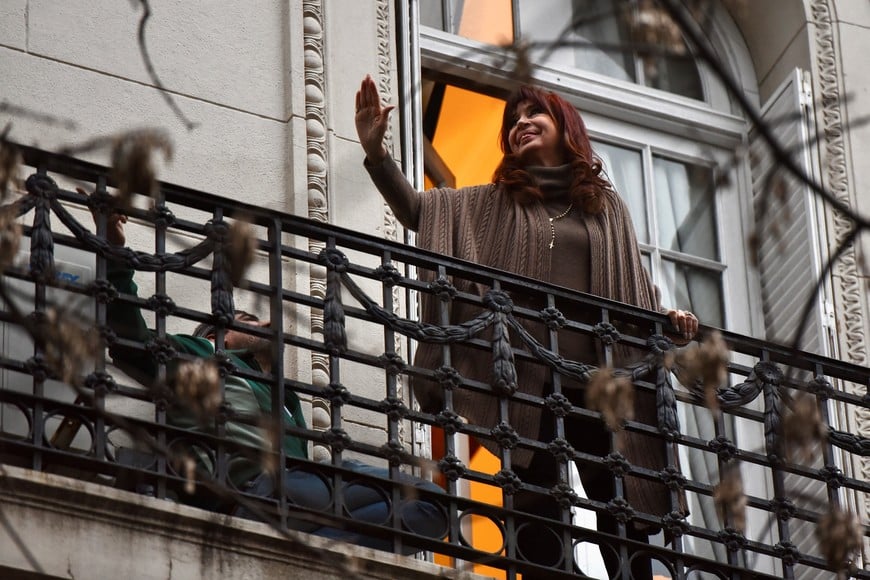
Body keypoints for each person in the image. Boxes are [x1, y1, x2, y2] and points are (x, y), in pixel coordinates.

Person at [355, 75, 699, 578]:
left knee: (621, 510)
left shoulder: (606, 209)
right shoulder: (496, 202)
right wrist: (377, 155)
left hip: (601, 383)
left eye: (533, 114)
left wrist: (667, 320)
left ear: (565, 127)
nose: (521, 124)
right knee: (536, 512)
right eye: (513, 121)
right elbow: (420, 212)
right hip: (529, 378)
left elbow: (635, 292)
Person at [99, 209, 448, 554]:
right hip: (256, 489)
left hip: (295, 497)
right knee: (425, 499)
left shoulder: (287, 398)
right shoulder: (198, 353)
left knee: (427, 512)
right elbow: (133, 344)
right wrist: (115, 254)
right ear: (218, 334)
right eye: (249, 320)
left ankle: (317, 560)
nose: (267, 324)